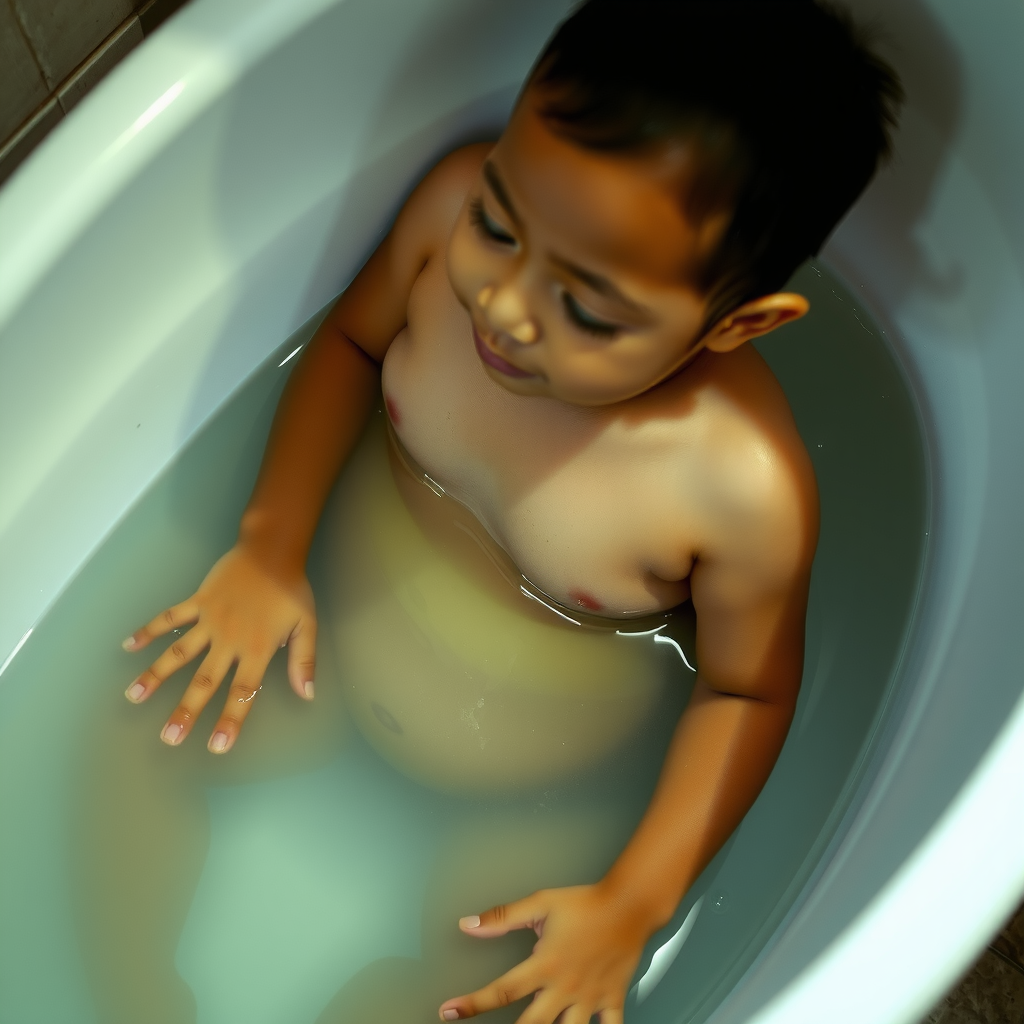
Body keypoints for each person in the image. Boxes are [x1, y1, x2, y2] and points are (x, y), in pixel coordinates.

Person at [119, 1, 902, 1020]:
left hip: (529, 806)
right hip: (324, 666)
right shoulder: (444, 226)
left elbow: (746, 694)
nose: (500, 303)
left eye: (586, 306)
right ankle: (123, 989)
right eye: (501, 221)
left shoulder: (737, 487)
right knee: (139, 733)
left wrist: (633, 899)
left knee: (489, 990)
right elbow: (352, 347)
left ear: (736, 324)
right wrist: (271, 549)